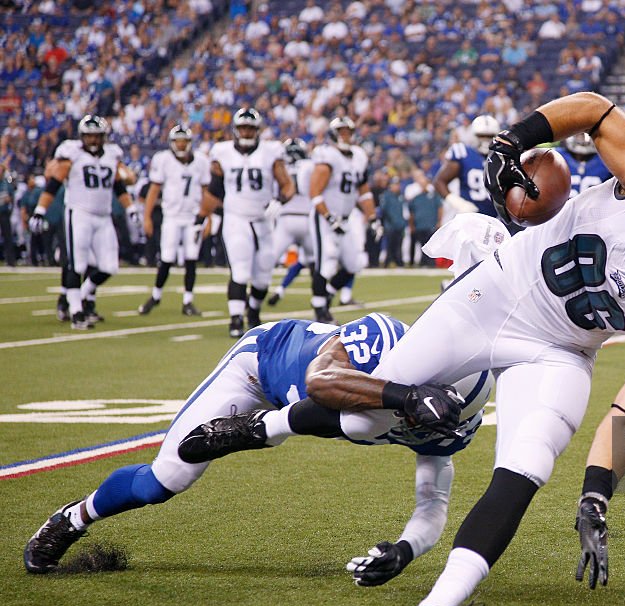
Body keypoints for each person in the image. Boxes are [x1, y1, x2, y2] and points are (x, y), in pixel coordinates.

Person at [198, 92, 625, 606]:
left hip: (561, 348)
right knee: (367, 414)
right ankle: (264, 426)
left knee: (529, 462)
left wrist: (596, 494)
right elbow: (596, 111)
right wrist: (511, 141)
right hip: (498, 292)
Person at [24, 314, 488, 577]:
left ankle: (258, 426)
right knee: (167, 477)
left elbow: (433, 503)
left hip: (291, 411)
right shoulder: (387, 342)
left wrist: (405, 550)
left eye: (440, 418)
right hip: (258, 366)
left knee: (359, 424)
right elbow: (320, 387)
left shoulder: (445, 429)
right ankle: (73, 517)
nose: (425, 421)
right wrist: (404, 395)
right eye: (426, 404)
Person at [29, 115, 140, 330]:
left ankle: (82, 294)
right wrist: (40, 210)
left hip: (104, 215)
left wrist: (131, 208)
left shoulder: (111, 155)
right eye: (89, 136)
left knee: (110, 266)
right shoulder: (72, 154)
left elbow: (120, 186)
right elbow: (53, 183)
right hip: (79, 213)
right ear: (82, 136)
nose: (93, 140)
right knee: (76, 264)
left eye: (96, 136)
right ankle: (76, 312)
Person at [196, 108, 296, 337]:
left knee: (263, 275)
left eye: (251, 128)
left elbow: (288, 185)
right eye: (243, 128)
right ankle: (235, 319)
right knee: (240, 270)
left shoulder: (271, 152)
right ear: (236, 129)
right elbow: (214, 190)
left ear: (258, 130)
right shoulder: (222, 152)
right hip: (236, 217)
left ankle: (253, 311)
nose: (247, 132)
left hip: (263, 219)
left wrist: (279, 202)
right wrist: (200, 217)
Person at [137, 124, 212, 317]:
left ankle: (188, 301)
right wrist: (146, 216)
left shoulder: (201, 162)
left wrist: (209, 218)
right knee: (167, 258)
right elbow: (154, 189)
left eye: (183, 141)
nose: (180, 145)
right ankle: (156, 295)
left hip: (194, 218)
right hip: (171, 216)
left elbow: (206, 193)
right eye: (177, 141)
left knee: (191, 258)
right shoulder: (164, 160)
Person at [307, 116, 379, 316]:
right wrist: (329, 217)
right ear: (333, 135)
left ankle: (328, 293)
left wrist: (372, 217)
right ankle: (320, 309)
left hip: (346, 219)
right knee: (326, 262)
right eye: (341, 132)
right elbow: (314, 192)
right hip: (325, 217)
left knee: (354, 263)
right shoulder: (327, 155)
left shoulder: (359, 156)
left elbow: (364, 192)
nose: (345, 136)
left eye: (348, 132)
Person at [265, 139, 322, 319]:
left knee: (267, 260)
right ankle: (320, 302)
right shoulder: (311, 165)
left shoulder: (279, 166)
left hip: (286, 218)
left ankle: (252, 302)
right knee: (314, 263)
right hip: (306, 218)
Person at [432, 115, 500, 217]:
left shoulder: (501, 156)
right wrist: (459, 203)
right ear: (473, 135)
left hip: (498, 217)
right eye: (481, 136)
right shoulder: (463, 153)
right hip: (471, 216)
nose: (485, 140)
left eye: (489, 136)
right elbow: (439, 181)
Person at [406, 169, 445, 266]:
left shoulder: (434, 195)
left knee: (430, 244)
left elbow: (440, 208)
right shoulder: (416, 197)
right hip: (419, 225)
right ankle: (423, 262)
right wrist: (411, 225)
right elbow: (411, 212)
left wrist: (439, 221)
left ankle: (430, 263)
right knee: (422, 245)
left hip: (430, 224)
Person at [556, 132, 612, 196]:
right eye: (579, 135)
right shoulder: (556, 156)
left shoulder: (606, 159)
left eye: (587, 134)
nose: (583, 139)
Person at [378, 176, 407, 268]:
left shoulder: (401, 196)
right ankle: (387, 263)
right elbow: (384, 210)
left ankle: (399, 263)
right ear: (390, 186)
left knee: (398, 245)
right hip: (390, 225)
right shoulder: (386, 196)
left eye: (398, 185)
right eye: (395, 184)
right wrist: (392, 221)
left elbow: (404, 211)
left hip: (400, 225)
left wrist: (402, 223)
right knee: (390, 245)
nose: (397, 187)